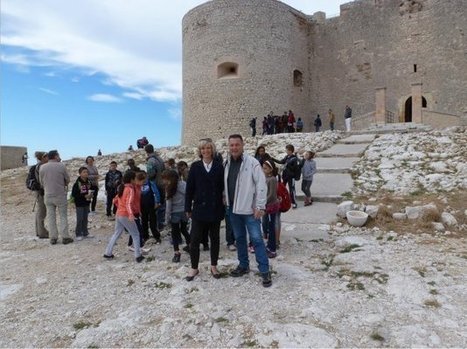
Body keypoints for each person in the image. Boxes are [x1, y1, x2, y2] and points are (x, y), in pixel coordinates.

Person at [224, 134, 272, 287]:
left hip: (250, 210)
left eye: (237, 144)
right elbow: (227, 183)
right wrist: (224, 196)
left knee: (257, 240)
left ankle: (264, 271)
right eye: (231, 145)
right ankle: (243, 266)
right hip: (233, 209)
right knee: (239, 239)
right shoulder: (227, 163)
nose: (234, 148)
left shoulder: (252, 163)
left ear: (242, 145)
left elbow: (261, 184)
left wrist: (260, 206)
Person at [185, 139, 225, 281]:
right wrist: (187, 207)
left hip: (215, 208)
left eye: (208, 148)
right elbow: (189, 188)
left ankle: (214, 266)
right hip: (199, 209)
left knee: (215, 239)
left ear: (212, 150)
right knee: (195, 240)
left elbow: (222, 188)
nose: (206, 151)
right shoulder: (195, 166)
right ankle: (194, 267)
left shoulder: (219, 166)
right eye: (203, 148)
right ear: (200, 151)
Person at [103, 170, 145, 263]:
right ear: (132, 179)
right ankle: (138, 255)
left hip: (119, 214)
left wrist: (120, 209)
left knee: (117, 233)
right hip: (126, 214)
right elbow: (128, 203)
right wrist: (130, 214)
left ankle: (108, 253)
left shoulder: (122, 187)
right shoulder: (130, 189)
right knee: (135, 234)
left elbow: (115, 200)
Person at [39, 150, 73, 245]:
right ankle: (65, 237)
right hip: (60, 195)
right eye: (58, 155)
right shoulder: (61, 165)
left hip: (48, 195)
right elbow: (68, 179)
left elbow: (41, 182)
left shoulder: (42, 167)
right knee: (63, 216)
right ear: (55, 156)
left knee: (51, 217)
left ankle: (53, 237)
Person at [163, 169, 190, 263]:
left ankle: (177, 253)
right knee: (184, 229)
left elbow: (168, 206)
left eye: (165, 179)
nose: (164, 181)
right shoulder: (184, 184)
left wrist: (166, 219)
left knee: (175, 233)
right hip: (184, 211)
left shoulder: (169, 188)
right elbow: (189, 197)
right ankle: (190, 246)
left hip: (175, 213)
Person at [145, 144, 166, 230]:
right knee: (162, 204)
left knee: (156, 205)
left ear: (146, 151)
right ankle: (161, 224)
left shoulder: (151, 161)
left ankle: (156, 226)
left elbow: (151, 174)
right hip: (162, 183)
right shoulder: (160, 159)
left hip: (155, 184)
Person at [262, 160, 280, 258]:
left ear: (270, 169)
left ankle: (272, 248)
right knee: (268, 227)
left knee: (271, 227)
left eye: (265, 168)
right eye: (263, 168)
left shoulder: (272, 179)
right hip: (267, 205)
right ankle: (269, 245)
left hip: (270, 207)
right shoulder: (266, 178)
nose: (263, 170)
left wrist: (263, 202)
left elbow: (272, 195)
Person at [272, 144, 299, 209]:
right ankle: (283, 201)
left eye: (287, 150)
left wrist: (287, 165)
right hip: (285, 176)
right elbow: (281, 162)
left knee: (291, 189)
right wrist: (273, 159)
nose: (286, 151)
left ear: (290, 151)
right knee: (282, 188)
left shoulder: (294, 159)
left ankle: (294, 203)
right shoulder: (287, 157)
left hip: (291, 176)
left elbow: (295, 168)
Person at [71, 167, 93, 240]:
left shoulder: (89, 182)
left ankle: (85, 232)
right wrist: (84, 196)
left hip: (86, 203)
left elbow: (92, 189)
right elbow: (74, 194)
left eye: (86, 172)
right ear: (80, 173)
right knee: (80, 218)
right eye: (84, 172)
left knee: (85, 218)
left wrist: (91, 194)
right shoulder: (77, 183)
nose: (86, 173)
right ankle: (78, 233)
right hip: (79, 203)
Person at [140, 171, 161, 244]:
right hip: (142, 206)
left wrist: (157, 202)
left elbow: (156, 192)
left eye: (144, 176)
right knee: (144, 221)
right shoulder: (139, 185)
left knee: (153, 221)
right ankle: (145, 236)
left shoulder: (151, 183)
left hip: (151, 205)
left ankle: (156, 236)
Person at [33, 151, 49, 238]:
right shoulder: (40, 166)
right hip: (41, 191)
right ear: (42, 158)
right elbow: (41, 180)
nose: (48, 158)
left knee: (40, 211)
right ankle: (42, 233)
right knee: (42, 212)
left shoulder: (38, 165)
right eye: (46, 157)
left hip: (39, 191)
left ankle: (39, 231)